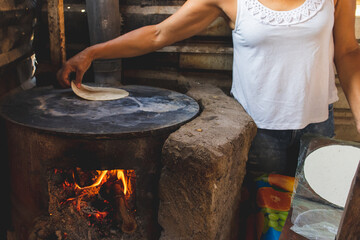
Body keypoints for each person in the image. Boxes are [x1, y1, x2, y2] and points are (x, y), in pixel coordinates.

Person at [57, 0, 360, 176]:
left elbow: (346, 51)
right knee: (260, 223)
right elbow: (158, 34)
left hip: (318, 129)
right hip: (258, 135)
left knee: (316, 222)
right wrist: (93, 52)